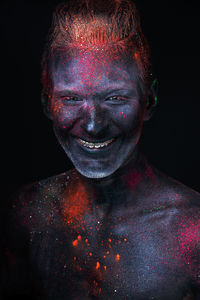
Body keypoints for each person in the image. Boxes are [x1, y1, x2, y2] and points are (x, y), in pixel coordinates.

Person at [2, 0, 200, 299]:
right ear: (47, 104)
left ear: (150, 100)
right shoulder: (27, 215)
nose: (94, 125)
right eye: (70, 99)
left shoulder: (193, 230)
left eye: (115, 98)